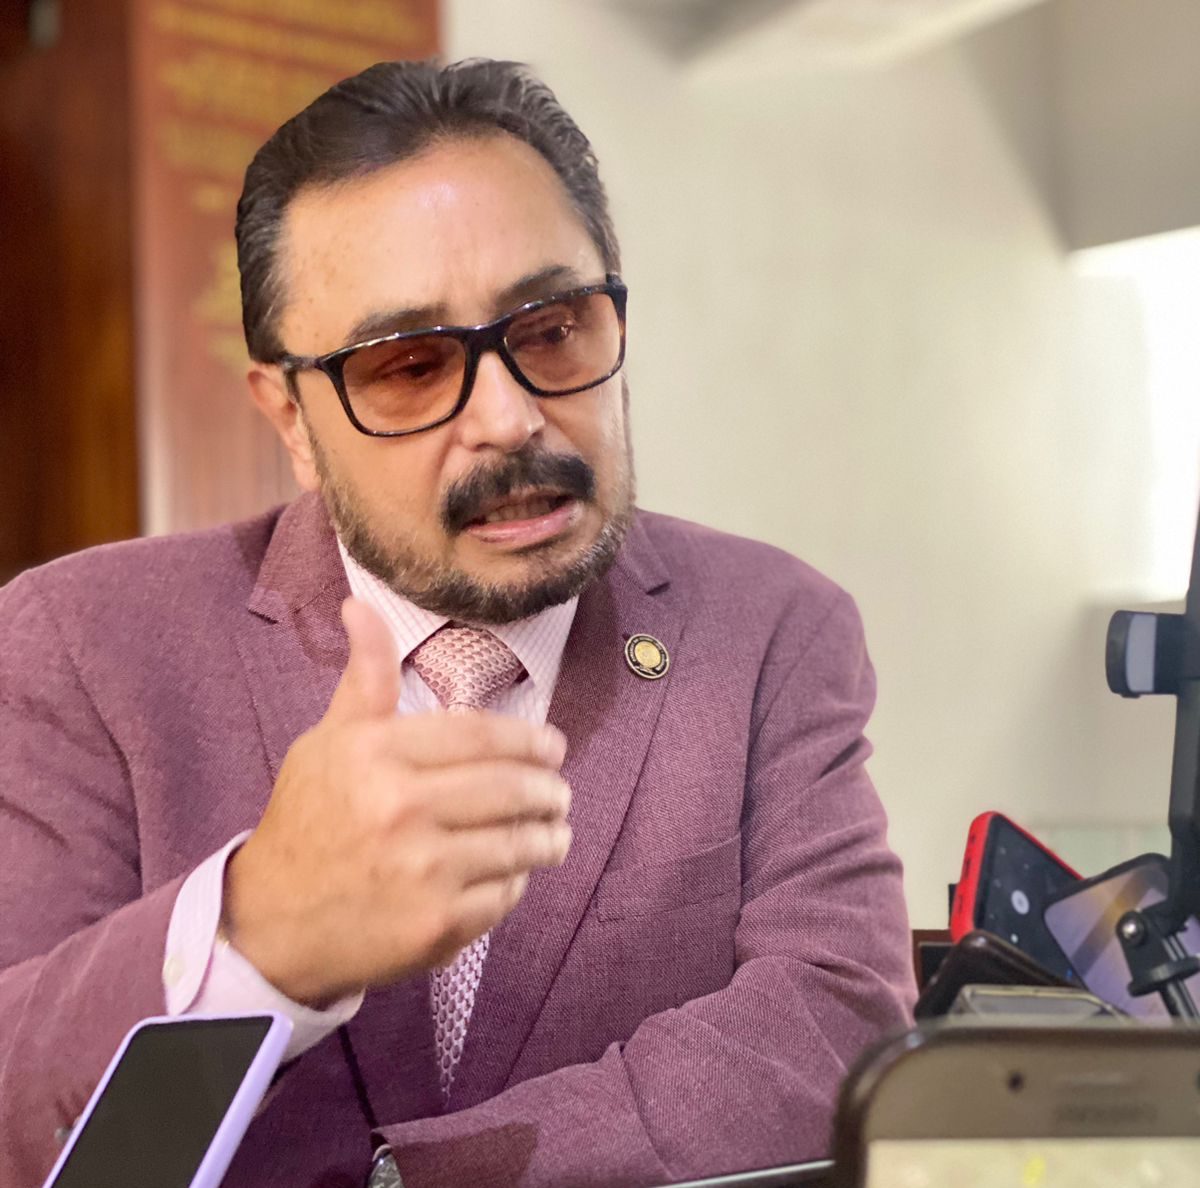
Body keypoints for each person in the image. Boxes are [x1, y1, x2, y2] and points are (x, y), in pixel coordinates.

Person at [0, 58, 914, 1188]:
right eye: (409, 366)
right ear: (291, 419)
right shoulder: (82, 645)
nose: (509, 417)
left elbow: (836, 1024)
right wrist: (258, 936)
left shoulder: (773, 629)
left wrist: (425, 1177)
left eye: (554, 329)